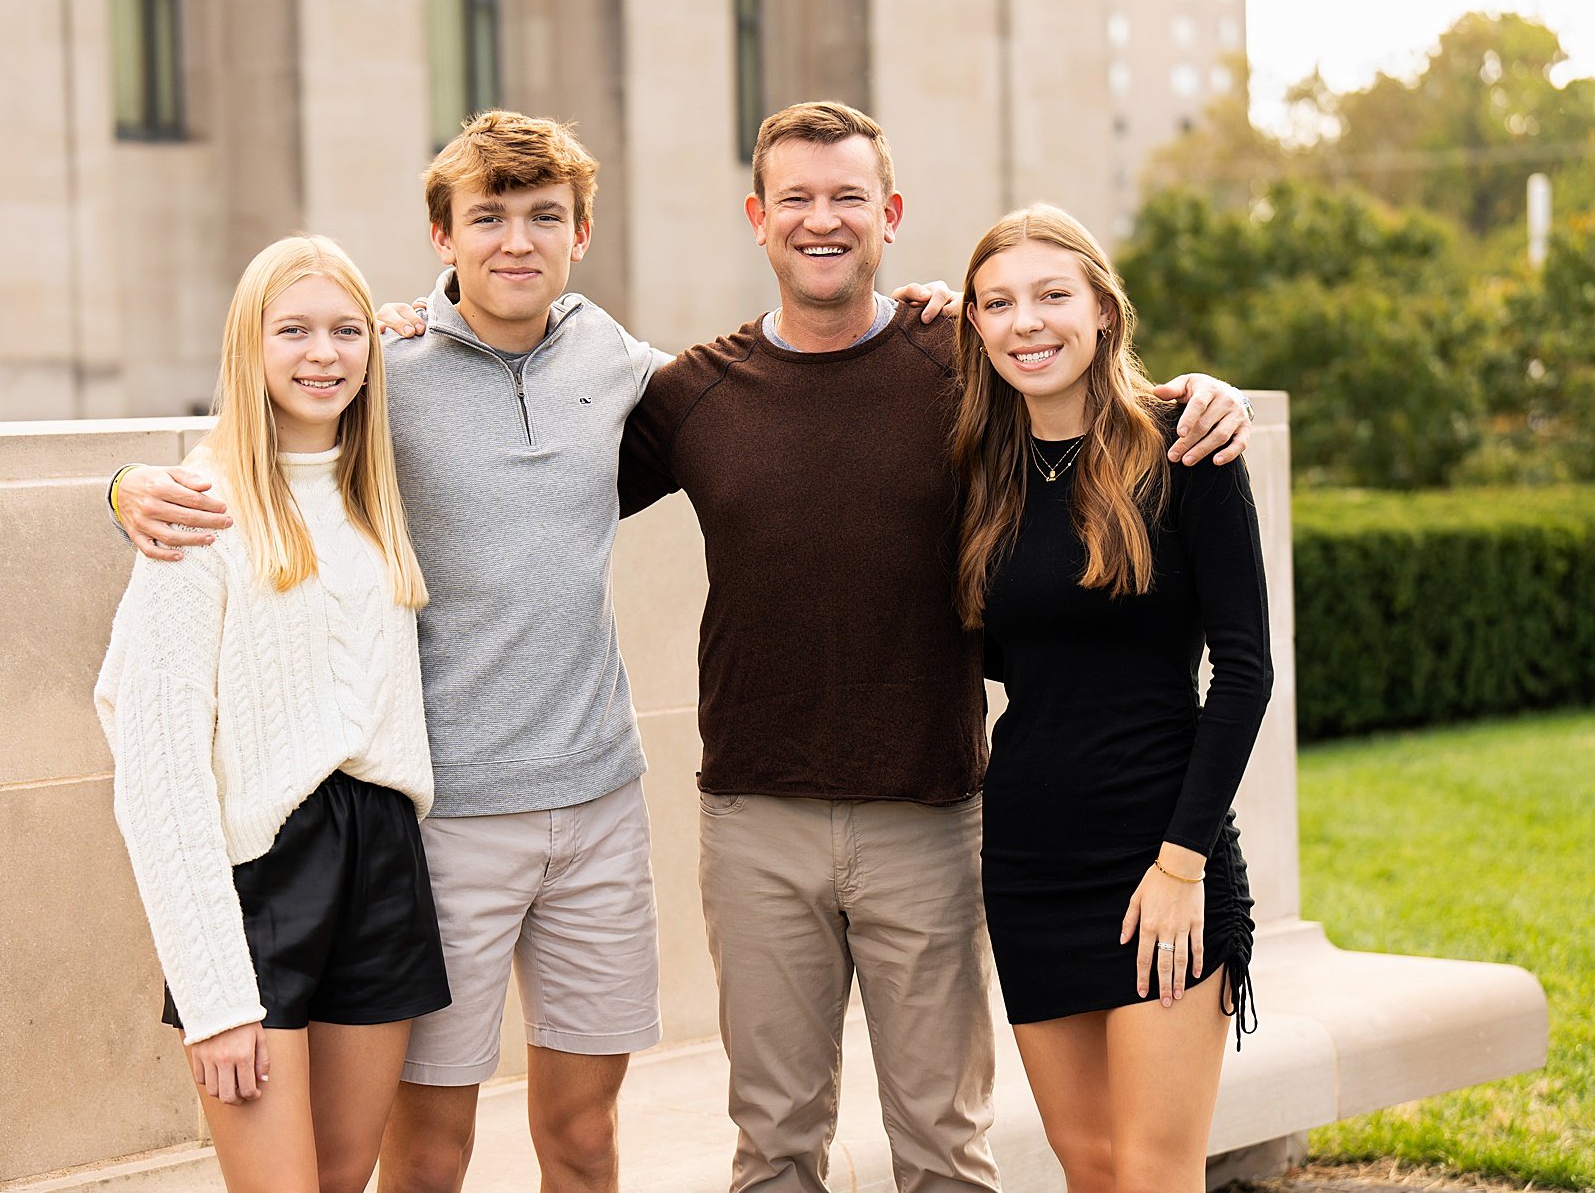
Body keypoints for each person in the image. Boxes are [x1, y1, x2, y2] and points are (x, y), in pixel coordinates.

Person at [110, 111, 964, 1193]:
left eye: (543, 217)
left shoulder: (618, 363)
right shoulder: (386, 367)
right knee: (427, 1151)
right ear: (442, 235)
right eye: (488, 218)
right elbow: (265, 442)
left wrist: (934, 314)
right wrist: (127, 488)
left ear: (581, 232)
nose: (516, 241)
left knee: (586, 1137)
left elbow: (777, 390)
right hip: (444, 823)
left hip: (599, 807)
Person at [616, 102, 1254, 1193]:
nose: (823, 220)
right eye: (797, 199)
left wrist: (1207, 393)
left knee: (949, 1150)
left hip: (935, 813)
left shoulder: (958, 359)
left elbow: (1090, 411)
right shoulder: (693, 393)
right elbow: (532, 469)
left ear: (890, 214)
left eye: (848, 196)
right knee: (773, 1144)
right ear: (757, 217)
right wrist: (413, 335)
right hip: (760, 817)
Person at [94, 234, 450, 1193]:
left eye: (345, 331)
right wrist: (212, 995)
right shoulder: (197, 508)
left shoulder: (374, 493)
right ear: (247, 346)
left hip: (383, 861)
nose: (322, 353)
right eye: (291, 331)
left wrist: (399, 316)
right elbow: (156, 772)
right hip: (262, 877)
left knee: (342, 1177)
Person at [952, 203, 1273, 1193]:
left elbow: (1246, 668)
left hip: (1158, 860)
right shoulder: (983, 475)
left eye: (1052, 295)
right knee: (1086, 1166)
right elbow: (1007, 660)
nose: (1027, 322)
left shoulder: (1185, 447)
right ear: (972, 324)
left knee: (1150, 1173)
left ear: (1100, 308)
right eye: (997, 303)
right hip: (1027, 862)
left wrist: (1180, 863)